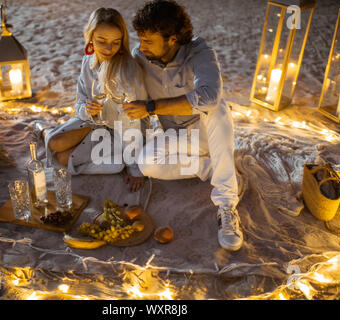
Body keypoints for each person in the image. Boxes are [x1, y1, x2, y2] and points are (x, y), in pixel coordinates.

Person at [124, 0, 242, 250]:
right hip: (177, 138)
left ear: (173, 38)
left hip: (208, 132)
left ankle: (226, 206)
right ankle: (211, 168)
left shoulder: (200, 52)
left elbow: (209, 96)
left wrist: (153, 106)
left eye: (148, 41)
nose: (141, 46)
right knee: (146, 164)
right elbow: (138, 108)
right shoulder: (140, 57)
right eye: (140, 39)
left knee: (217, 107)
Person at [32, 7, 147, 192]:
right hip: (92, 123)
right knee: (55, 144)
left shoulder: (127, 72)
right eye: (102, 41)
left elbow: (132, 123)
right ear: (90, 37)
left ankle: (49, 132)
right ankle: (46, 131)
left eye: (116, 43)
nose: (109, 49)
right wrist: (88, 110)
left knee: (64, 159)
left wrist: (135, 169)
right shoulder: (88, 60)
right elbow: (79, 103)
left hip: (118, 130)